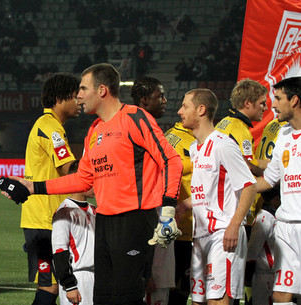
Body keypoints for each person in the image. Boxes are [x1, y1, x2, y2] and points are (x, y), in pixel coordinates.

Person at [11, 63, 183, 305]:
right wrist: (33, 188)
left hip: (134, 220)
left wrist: (167, 210)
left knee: (127, 298)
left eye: (83, 88)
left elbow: (171, 161)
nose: (78, 95)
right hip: (103, 222)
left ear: (102, 90)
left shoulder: (135, 117)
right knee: (102, 299)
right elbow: (83, 179)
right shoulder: (94, 130)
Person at [177, 88, 257, 305]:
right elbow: (208, 192)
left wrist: (234, 225)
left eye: (185, 106)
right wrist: (183, 206)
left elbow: (249, 185)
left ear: (201, 109)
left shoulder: (223, 144)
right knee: (198, 301)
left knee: (217, 301)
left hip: (223, 235)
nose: (179, 111)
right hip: (200, 236)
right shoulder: (195, 147)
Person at [22, 72, 81, 305]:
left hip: (49, 218)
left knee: (56, 285)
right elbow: (69, 168)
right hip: (42, 220)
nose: (80, 101)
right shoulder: (50, 128)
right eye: (75, 97)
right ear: (60, 99)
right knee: (50, 286)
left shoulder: (51, 125)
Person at [254, 76, 301, 305]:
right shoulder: (282, 135)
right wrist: (240, 188)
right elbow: (270, 179)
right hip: (286, 227)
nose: (273, 105)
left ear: (294, 100)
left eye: (278, 98)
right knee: (281, 295)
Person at [131, 76, 175, 305]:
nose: (166, 101)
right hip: (148, 212)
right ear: (146, 100)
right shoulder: (141, 126)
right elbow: (170, 162)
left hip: (147, 210)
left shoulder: (138, 124)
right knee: (152, 284)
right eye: (161, 96)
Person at [215, 78, 268, 228]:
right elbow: (247, 169)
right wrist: (269, 177)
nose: (265, 108)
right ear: (247, 103)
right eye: (262, 103)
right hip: (235, 206)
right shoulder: (239, 129)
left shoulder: (224, 122)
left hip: (220, 202)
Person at [51, 160, 96, 305]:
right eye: (92, 179)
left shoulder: (95, 210)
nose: (96, 183)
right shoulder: (64, 212)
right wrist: (69, 285)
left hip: (97, 277)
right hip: (77, 279)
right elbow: (59, 251)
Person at [164, 121, 196, 305]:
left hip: (177, 224)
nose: (179, 111)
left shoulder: (171, 133)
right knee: (179, 287)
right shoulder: (187, 141)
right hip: (183, 228)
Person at [245, 186, 279, 305]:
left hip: (273, 273)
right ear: (275, 199)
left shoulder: (273, 217)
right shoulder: (263, 219)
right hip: (264, 274)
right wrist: (248, 274)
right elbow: (253, 249)